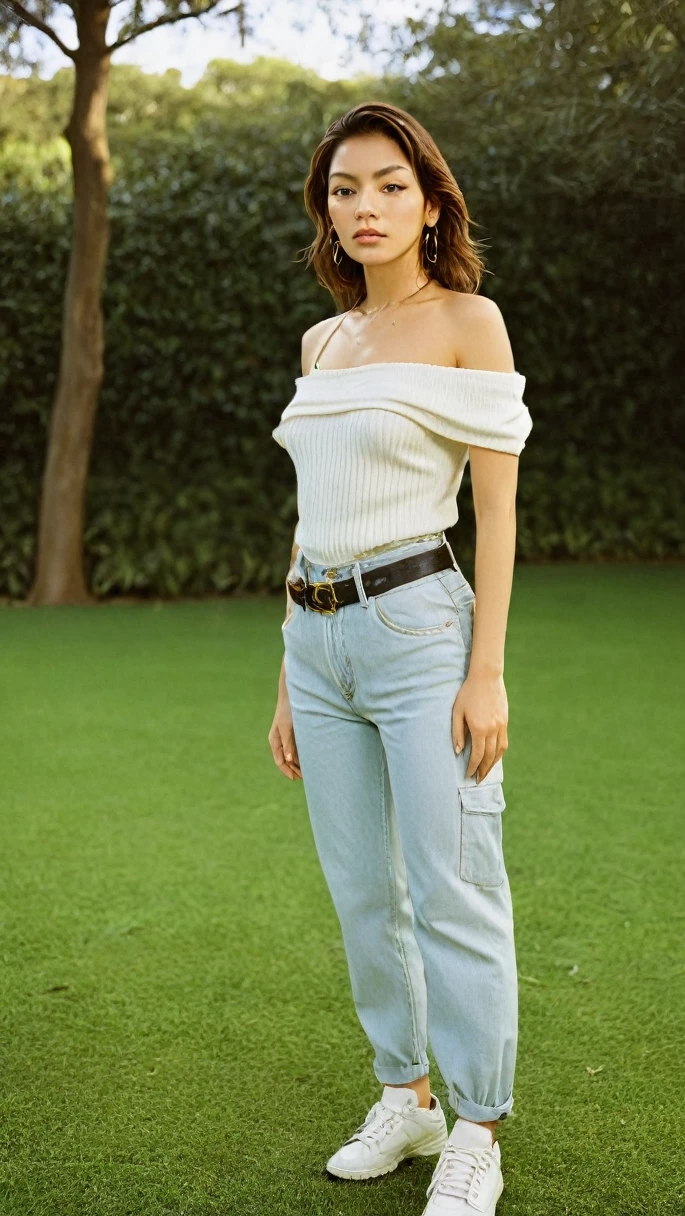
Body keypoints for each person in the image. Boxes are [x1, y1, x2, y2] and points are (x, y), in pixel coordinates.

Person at [268, 101, 533, 1216]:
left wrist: (487, 669)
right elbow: (308, 512)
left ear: (429, 203)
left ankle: (477, 1126)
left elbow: (498, 513)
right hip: (314, 639)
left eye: (386, 186)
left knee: (452, 884)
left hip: (422, 627)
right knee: (361, 892)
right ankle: (406, 1095)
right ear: (325, 212)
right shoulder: (321, 342)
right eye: (343, 190)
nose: (363, 207)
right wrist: (289, 673)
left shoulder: (470, 321)